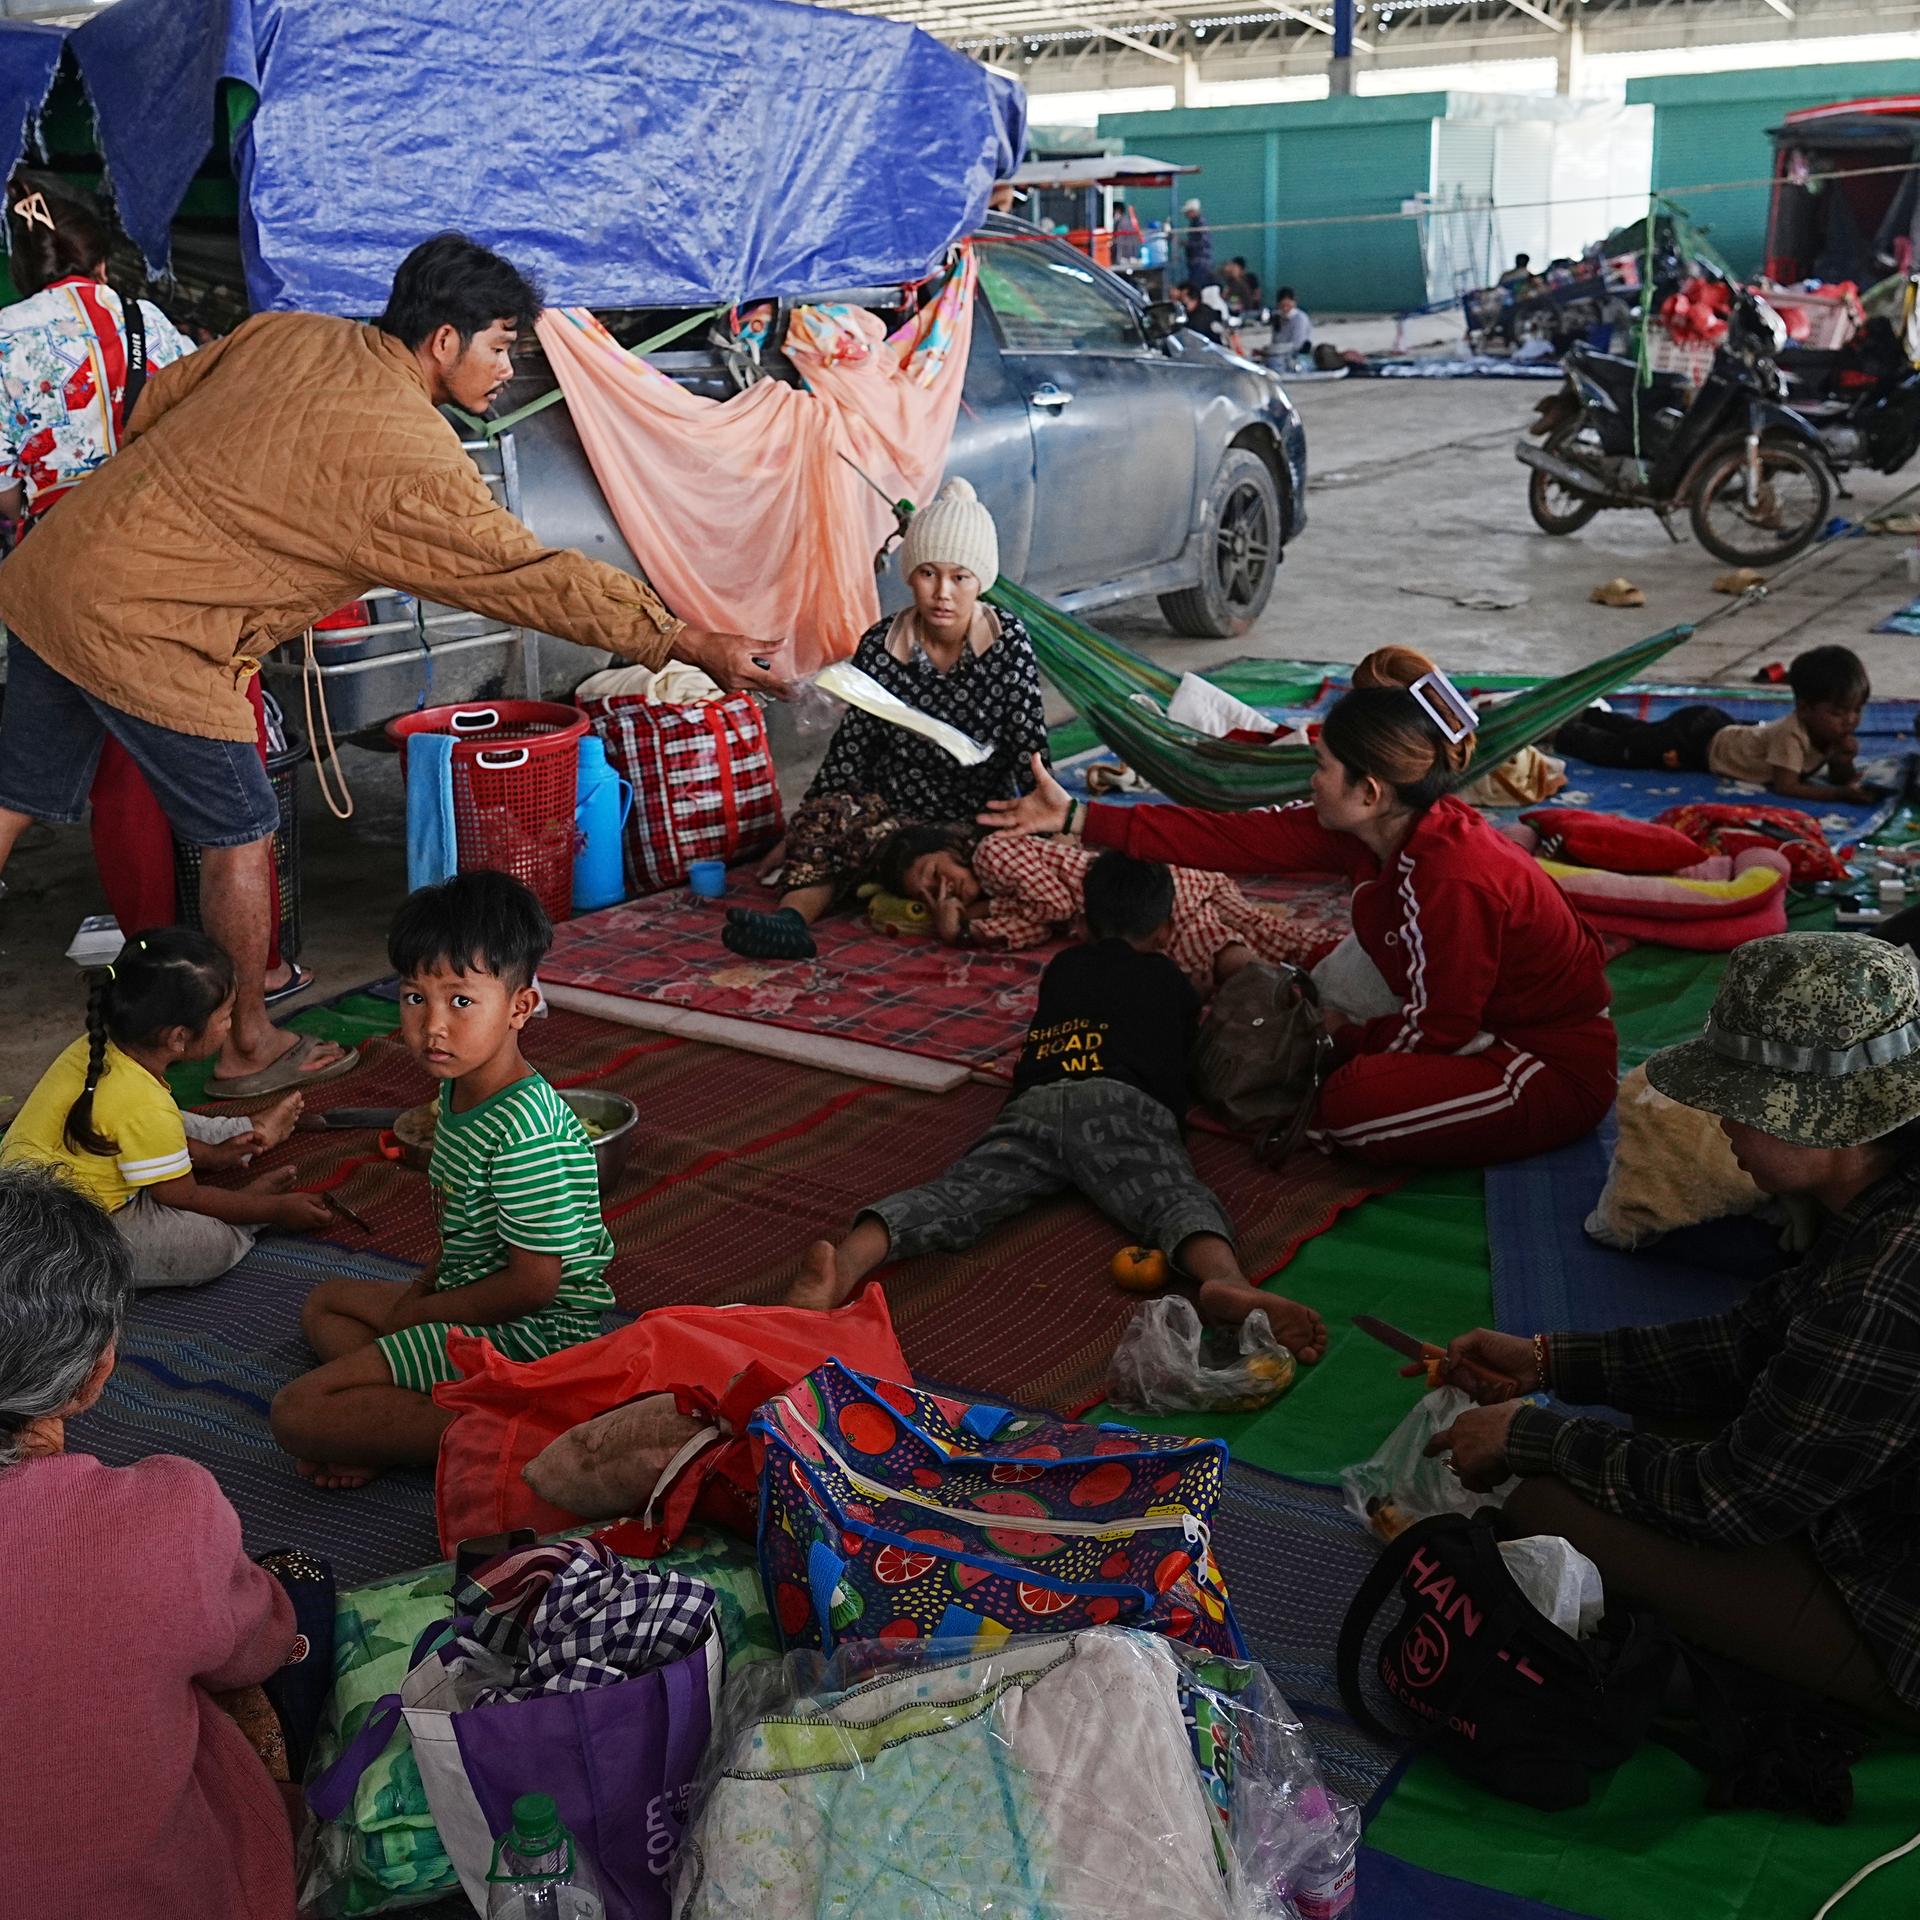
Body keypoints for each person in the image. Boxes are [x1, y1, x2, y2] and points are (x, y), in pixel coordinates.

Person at [0, 232, 789, 1102]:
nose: (503, 368)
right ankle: (248, 1043)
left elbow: (157, 403)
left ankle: (244, 1032)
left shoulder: (290, 331)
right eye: (498, 345)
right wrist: (685, 640)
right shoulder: (412, 456)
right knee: (241, 829)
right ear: (443, 341)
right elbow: (524, 577)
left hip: (53, 572)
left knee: (14, 799)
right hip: (157, 629)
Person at [1427, 933, 1920, 1730]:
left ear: (1826, 1120)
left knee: (1552, 1509)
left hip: (1900, 1608)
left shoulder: (1889, 1279)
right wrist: (1549, 1361)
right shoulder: (1881, 1195)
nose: (1723, 1123)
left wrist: (1533, 1438)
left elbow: (1727, 1500)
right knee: (1656, 1418)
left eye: (1745, 1104)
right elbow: (1750, 1343)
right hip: (1873, 1495)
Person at [982, 675, 1616, 1168]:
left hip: (1545, 1061)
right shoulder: (1370, 830)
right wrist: (1078, 820)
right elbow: (1231, 839)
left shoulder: (1451, 878)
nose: (1310, 781)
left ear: (1369, 791)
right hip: (1461, 1016)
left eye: (1321, 767)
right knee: (1317, 1013)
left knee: (1349, 1109)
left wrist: (1339, 1040)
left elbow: (1440, 1027)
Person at [785, 850, 1329, 1356]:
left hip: (1037, 1101)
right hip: (1124, 1104)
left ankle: (848, 1261)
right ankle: (1226, 1282)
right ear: (1165, 930)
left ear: (1086, 926)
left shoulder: (1065, 967)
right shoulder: (1172, 980)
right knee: (1171, 1196)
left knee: (958, 1193)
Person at [0, 174, 307, 998]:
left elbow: (2, 493)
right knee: (231, 800)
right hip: (171, 576)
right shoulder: (156, 327)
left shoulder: (3, 339)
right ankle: (258, 984)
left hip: (54, 579)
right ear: (100, 256)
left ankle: (152, 960)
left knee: (101, 784)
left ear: (22, 265)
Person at [0, 1164, 301, 1914]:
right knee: (295, 1597)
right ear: (94, 1374)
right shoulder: (166, 1514)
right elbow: (258, 1646)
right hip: (173, 1895)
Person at [271, 872, 615, 1488]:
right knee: (325, 1301)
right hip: (469, 1299)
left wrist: (422, 1313)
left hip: (532, 1339)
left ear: (519, 1007)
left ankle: (503, 1423)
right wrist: (418, 1301)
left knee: (295, 1412)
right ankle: (393, 1416)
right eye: (413, 998)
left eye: (460, 1001)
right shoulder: (457, 1092)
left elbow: (536, 1284)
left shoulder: (527, 1132)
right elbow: (463, 1232)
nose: (433, 1025)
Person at [723, 477, 1047, 960]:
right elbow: (854, 746)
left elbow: (1030, 751)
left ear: (982, 582)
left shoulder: (1008, 643)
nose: (942, 593)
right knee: (826, 817)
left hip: (975, 818)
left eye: (961, 578)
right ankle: (790, 924)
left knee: (1015, 859)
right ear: (910, 574)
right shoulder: (881, 644)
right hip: (891, 814)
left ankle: (949, 909)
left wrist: (1051, 820)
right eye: (928, 574)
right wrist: (805, 826)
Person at [0, 928, 328, 1286]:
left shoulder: (99, 1048)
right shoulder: (144, 1105)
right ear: (178, 1037)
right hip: (61, 1235)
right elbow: (181, 1196)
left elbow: (143, 1128)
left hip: (29, 1193)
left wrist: (214, 1156)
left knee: (172, 1122)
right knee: (210, 1246)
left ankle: (245, 1135)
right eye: (226, 1016)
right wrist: (273, 1210)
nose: (230, 1025)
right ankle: (242, 1217)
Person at [874, 821, 1325, 988]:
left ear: (951, 850)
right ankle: (1327, 959)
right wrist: (960, 931)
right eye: (928, 896)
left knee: (1219, 950)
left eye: (937, 876)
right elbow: (1037, 926)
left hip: (1149, 891)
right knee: (1266, 932)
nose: (944, 893)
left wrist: (976, 916)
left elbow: (1051, 908)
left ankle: (1286, 994)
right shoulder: (1002, 891)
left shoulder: (992, 854)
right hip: (1163, 885)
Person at [1554, 645, 1878, 805]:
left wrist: (1842, 762)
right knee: (1627, 750)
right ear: (1804, 708)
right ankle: (1565, 732)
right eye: (1839, 712)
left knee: (1641, 734)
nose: (1850, 720)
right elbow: (1786, 786)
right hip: (1694, 739)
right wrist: (1839, 794)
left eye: (1856, 711)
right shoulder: (1792, 734)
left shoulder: (1829, 733)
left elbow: (1841, 776)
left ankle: (1592, 715)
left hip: (1719, 728)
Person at [1266, 288, 1312, 363]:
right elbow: (1275, 340)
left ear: (1294, 303)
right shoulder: (1277, 317)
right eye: (1282, 306)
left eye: (1288, 305)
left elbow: (1298, 344)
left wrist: (1278, 349)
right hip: (1279, 354)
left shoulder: (1300, 318)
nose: (1285, 309)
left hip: (1297, 356)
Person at [1182, 198, 1215, 291]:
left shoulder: (1200, 223)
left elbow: (1202, 242)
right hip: (1195, 262)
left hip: (1200, 262)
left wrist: (1188, 244)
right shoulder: (1194, 223)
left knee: (1197, 287)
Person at [1111, 200, 1144, 271]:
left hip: (1124, 258)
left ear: (1117, 210)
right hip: (1131, 257)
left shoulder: (1120, 223)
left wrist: (1117, 260)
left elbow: (1119, 242)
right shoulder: (1127, 221)